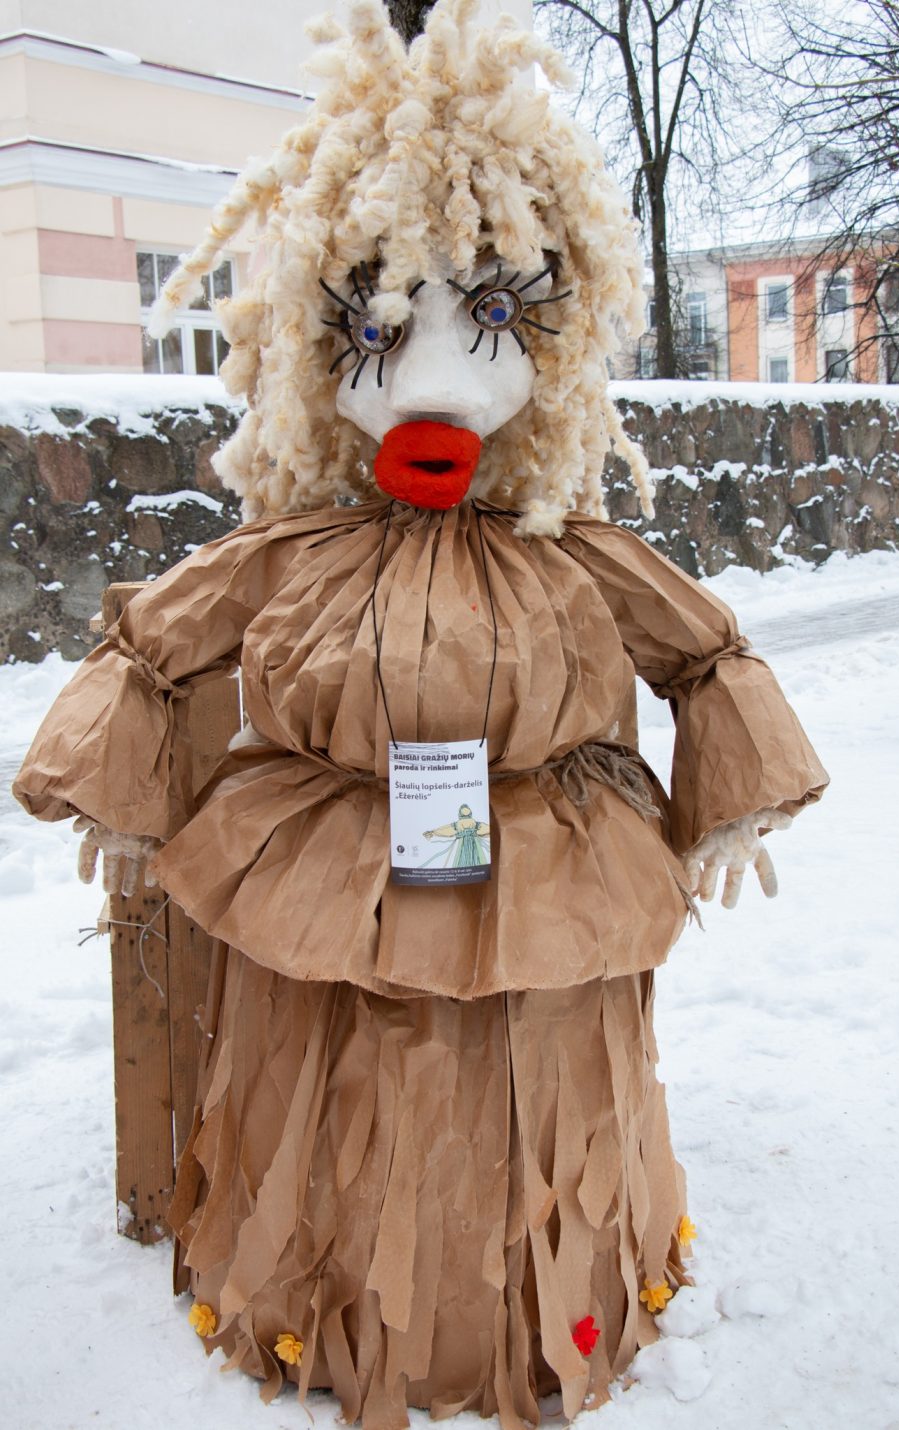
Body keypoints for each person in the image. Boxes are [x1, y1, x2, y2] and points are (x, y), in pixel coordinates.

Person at [13, 4, 827, 1425]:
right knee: (346, 1089)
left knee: (524, 1103)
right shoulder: (302, 549)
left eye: (494, 316)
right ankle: (308, 1293)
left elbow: (704, 653)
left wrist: (734, 786)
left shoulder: (570, 545)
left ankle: (553, 1295)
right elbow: (160, 647)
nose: (438, 379)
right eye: (380, 328)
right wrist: (117, 789)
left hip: (546, 891)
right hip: (331, 874)